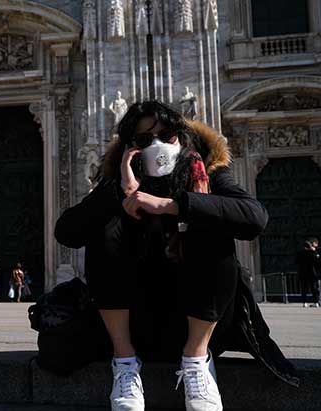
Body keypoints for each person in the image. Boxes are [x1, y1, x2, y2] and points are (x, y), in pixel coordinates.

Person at [55, 100, 298, 411]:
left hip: (202, 322)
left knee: (209, 222)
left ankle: (197, 362)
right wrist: (118, 191)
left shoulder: (208, 172)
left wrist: (175, 205)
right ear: (132, 149)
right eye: (144, 140)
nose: (157, 144)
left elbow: (255, 218)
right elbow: (67, 233)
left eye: (167, 134)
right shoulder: (120, 181)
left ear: (181, 137)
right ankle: (125, 363)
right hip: (138, 324)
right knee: (105, 224)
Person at [296, 238, 320, 308]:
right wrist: (314, 251)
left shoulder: (300, 253)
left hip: (303, 273)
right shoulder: (312, 253)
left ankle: (304, 302)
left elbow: (296, 261)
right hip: (312, 273)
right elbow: (317, 262)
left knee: (304, 289)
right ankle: (316, 302)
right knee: (314, 288)